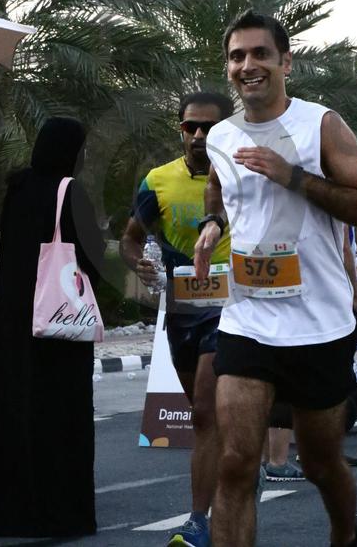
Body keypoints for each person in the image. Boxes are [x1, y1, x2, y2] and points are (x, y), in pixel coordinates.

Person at [194, 10, 357, 547]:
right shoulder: (222, 136)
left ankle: (346, 533)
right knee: (236, 462)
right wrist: (213, 222)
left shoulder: (320, 125)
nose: (247, 65)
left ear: (285, 61)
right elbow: (218, 185)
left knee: (321, 463)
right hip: (248, 317)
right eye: (236, 56)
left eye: (260, 53)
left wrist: (293, 176)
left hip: (318, 324)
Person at [0, 118, 105, 537]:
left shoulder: (17, 189)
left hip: (12, 324)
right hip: (58, 327)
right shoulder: (71, 191)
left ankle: (6, 514)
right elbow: (92, 260)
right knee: (59, 417)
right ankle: (59, 512)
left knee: (13, 411)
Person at [120, 91, 233, 547]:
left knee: (204, 411)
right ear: (181, 130)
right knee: (203, 414)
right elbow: (130, 238)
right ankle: (238, 468)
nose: (199, 135)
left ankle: (199, 520)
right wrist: (140, 265)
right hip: (183, 309)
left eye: (209, 127)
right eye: (191, 127)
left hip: (231, 308)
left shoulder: (243, 178)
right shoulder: (158, 180)